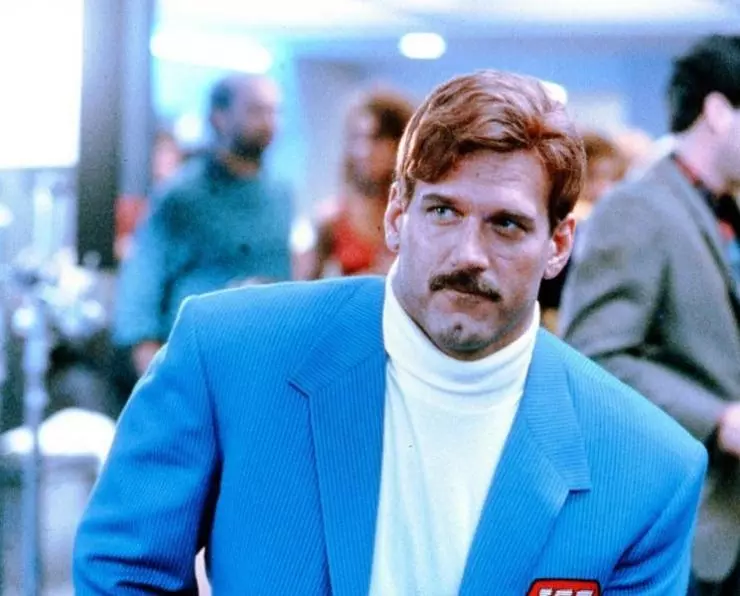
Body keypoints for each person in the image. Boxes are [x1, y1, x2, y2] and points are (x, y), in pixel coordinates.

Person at [74, 69, 706, 594]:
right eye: (443, 210)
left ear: (559, 244)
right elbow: (124, 569)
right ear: (398, 213)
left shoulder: (647, 467)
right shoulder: (230, 352)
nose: (469, 254)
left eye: (507, 225)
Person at [559, 35, 740, 595]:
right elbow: (594, 357)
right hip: (696, 522)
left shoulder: (724, 209)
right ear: (717, 111)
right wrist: (719, 418)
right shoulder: (636, 207)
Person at [111, 74, 294, 391]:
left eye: (274, 111)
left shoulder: (281, 194)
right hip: (195, 370)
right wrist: (157, 382)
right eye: (255, 111)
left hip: (265, 367)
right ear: (219, 117)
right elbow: (140, 291)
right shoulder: (180, 196)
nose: (268, 122)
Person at [307, 88, 414, 278]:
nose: (365, 151)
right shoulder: (332, 219)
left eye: (377, 138)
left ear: (399, 143)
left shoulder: (416, 211)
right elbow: (309, 287)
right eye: (357, 138)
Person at [538, 131, 628, 331]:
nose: (603, 188)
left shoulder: (615, 224)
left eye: (611, 179)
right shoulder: (556, 221)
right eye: (594, 177)